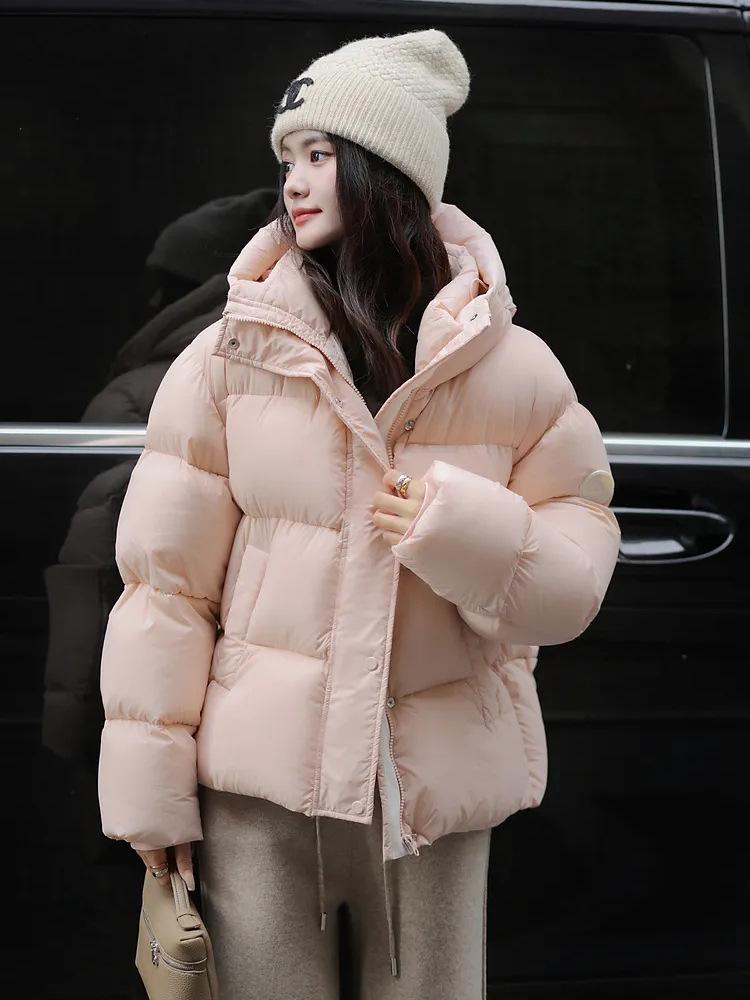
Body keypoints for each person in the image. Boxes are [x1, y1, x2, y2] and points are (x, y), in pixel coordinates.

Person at [97, 28, 621, 1000]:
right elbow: (164, 591)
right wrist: (151, 794)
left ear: (388, 172)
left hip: (431, 803)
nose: (293, 183)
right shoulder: (230, 358)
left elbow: (572, 589)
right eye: (286, 159)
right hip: (259, 797)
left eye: (320, 154)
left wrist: (463, 530)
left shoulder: (515, 369)